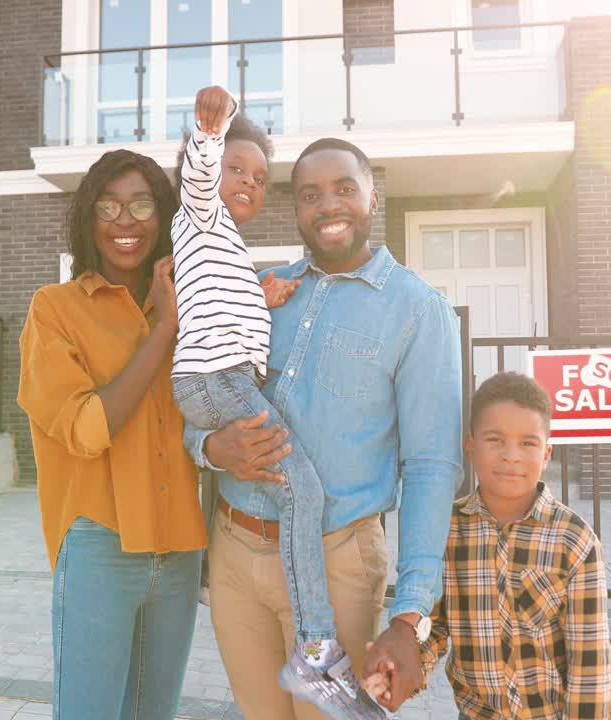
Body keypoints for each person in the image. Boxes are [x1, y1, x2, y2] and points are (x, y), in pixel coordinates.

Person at [184, 136, 463, 720]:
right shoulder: (259, 290)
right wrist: (210, 448)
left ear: (372, 198)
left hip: (336, 565)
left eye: (344, 189)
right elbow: (203, 390)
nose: (327, 205)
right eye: (310, 194)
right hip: (235, 555)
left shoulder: (417, 310)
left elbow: (432, 465)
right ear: (297, 210)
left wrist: (411, 615)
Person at [169, 86, 383, 719]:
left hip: (217, 380)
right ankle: (317, 646)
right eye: (236, 170)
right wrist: (211, 132)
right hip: (219, 381)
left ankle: (313, 641)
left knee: (293, 490)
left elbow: (221, 307)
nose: (246, 183)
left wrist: (263, 298)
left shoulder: (226, 248)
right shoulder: (199, 214)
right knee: (304, 491)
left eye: (260, 179)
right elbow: (201, 179)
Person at [17, 149, 204, 720]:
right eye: (109, 206)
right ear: (88, 218)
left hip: (180, 549)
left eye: (142, 204)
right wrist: (163, 331)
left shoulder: (188, 304)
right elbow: (87, 428)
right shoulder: (55, 309)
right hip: (98, 542)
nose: (126, 220)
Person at [363, 372, 611, 718]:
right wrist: (400, 666)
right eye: (495, 440)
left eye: (528, 443)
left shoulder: (574, 541)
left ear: (547, 454)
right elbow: (434, 628)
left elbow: (591, 666)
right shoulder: (447, 529)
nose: (511, 456)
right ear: (470, 446)